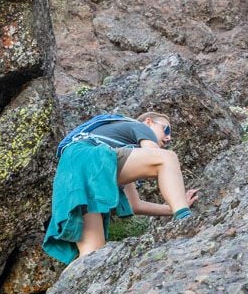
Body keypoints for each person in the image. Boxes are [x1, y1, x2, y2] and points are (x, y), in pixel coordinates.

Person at [43, 111, 198, 263]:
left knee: (91, 255)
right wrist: (179, 204)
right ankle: (185, 219)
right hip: (90, 156)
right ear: (149, 122)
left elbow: (135, 205)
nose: (168, 137)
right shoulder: (139, 126)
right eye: (166, 129)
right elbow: (157, 155)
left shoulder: (117, 155)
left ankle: (68, 287)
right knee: (168, 157)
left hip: (71, 173)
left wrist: (169, 208)